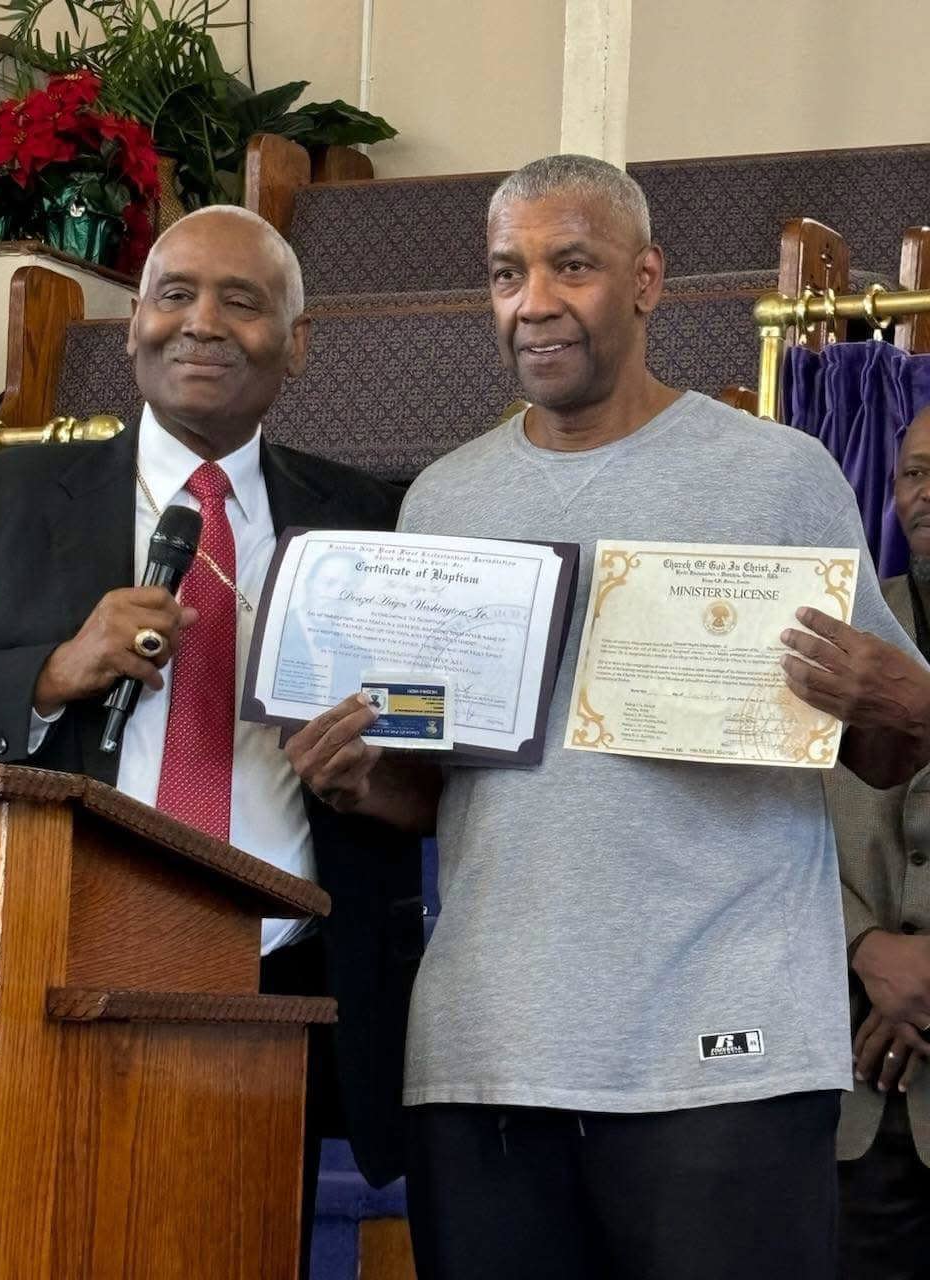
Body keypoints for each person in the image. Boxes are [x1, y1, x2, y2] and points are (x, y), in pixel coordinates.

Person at [286, 156, 930, 1280]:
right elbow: (446, 783)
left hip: (726, 1056)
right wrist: (361, 779)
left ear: (645, 279)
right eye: (506, 272)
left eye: (569, 264)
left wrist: (902, 695)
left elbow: (882, 749)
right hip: (488, 1056)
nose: (533, 299)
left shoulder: (780, 473)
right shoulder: (442, 497)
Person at [0, 206, 422, 1269]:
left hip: (291, 971)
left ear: (297, 342)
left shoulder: (376, 519)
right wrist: (47, 673)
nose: (201, 323)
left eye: (243, 300)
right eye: (174, 295)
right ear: (132, 330)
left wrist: (370, 775)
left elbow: (435, 763)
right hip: (54, 957)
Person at [826, 405, 930, 1279]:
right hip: (861, 1096)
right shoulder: (842, 644)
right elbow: (770, 822)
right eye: (913, 474)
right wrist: (865, 947)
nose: (926, 494)